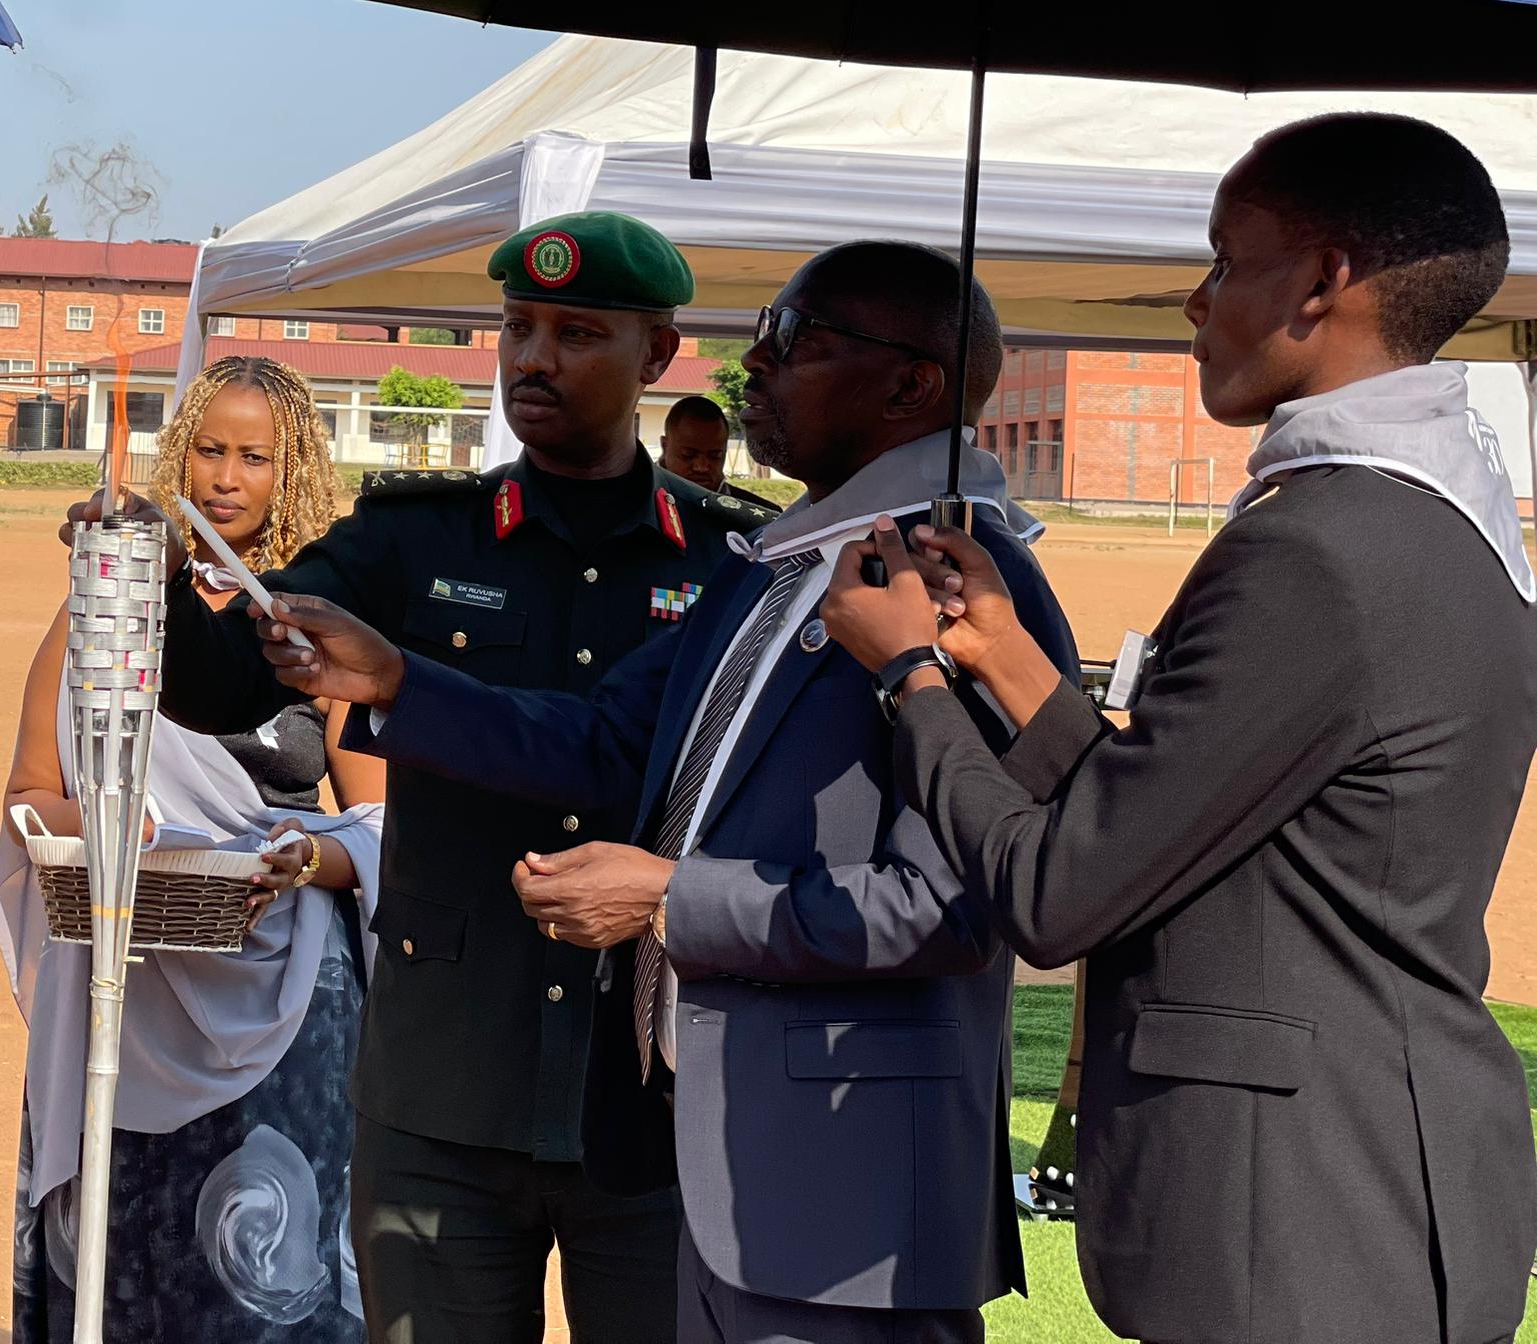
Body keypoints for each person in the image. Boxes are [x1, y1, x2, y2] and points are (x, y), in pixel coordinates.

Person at [256, 241, 1081, 1344]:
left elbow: (954, 906)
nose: (756, 366)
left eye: (795, 340)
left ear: (909, 386)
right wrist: (399, 681)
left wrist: (668, 898)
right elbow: (609, 741)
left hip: (848, 1210)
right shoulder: (778, 565)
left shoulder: (962, 580)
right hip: (721, 1167)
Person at [820, 114, 1537, 1344]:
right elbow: (1176, 815)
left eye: (1224, 260)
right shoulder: (1430, 516)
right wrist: (1003, 659)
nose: (1196, 304)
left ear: (1322, 279)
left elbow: (1060, 894)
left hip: (1297, 1222)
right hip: (1366, 1191)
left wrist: (911, 681)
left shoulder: (1315, 547)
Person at [68, 213, 772, 1344]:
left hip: (650, 1098)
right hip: (446, 1093)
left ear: (657, 353)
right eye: (518, 328)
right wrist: (147, 574)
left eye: (576, 334)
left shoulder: (734, 561)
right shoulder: (415, 538)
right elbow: (226, 684)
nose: (535, 359)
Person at [0, 355, 385, 1338]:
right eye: (209, 451)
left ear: (293, 472)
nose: (225, 479)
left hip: (285, 997)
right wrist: (115, 833)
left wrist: (302, 858)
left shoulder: (316, 625)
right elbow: (33, 794)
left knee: (270, 1275)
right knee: (129, 1255)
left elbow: (383, 824)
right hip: (124, 987)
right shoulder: (104, 604)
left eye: (255, 458)